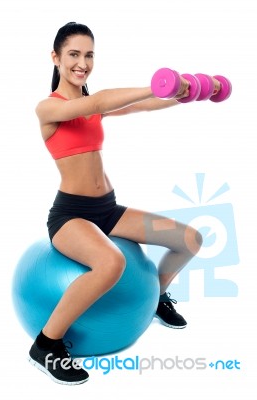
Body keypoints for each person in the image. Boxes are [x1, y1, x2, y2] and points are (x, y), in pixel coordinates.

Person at [28, 22, 203, 385]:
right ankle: (46, 344)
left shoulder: (93, 108)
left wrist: (186, 92)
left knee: (189, 239)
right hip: (70, 216)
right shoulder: (49, 108)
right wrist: (155, 84)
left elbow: (144, 106)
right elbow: (98, 99)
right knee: (111, 262)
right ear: (55, 58)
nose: (82, 62)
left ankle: (157, 295)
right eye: (74, 54)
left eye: (89, 55)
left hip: (107, 210)